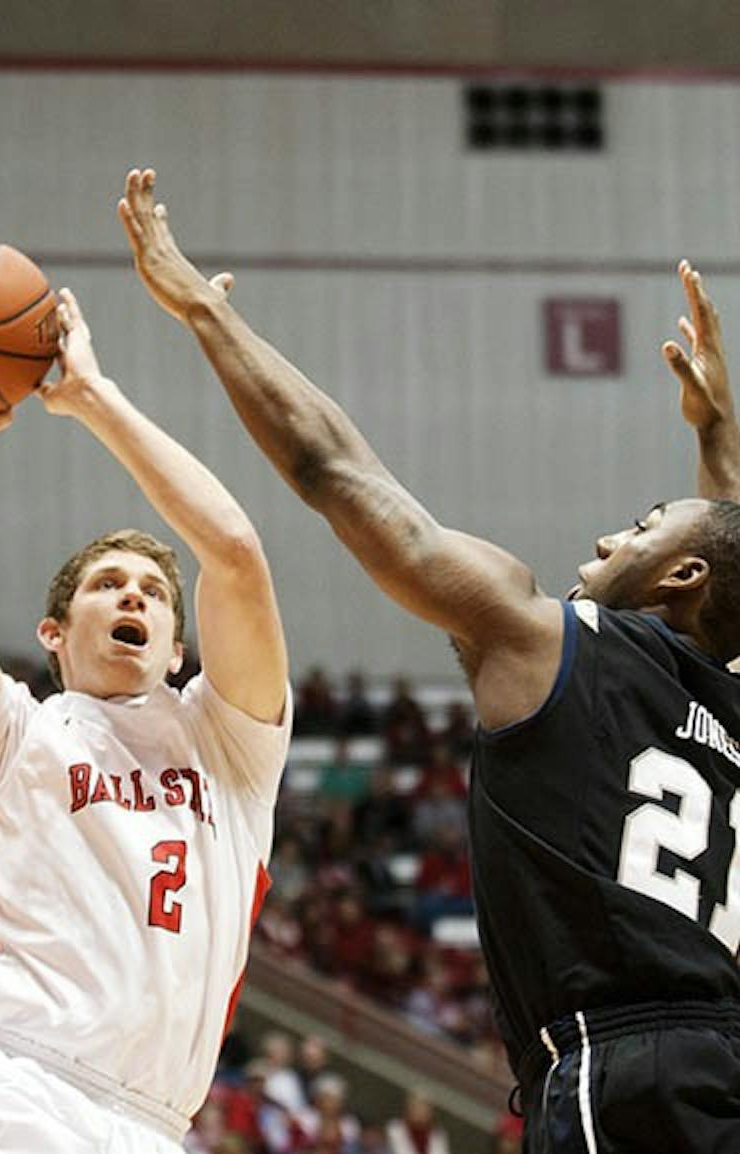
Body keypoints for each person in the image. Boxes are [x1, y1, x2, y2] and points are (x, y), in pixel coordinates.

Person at [119, 166, 740, 1153]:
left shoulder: (540, 636)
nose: (610, 536)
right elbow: (722, 586)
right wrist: (716, 438)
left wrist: (201, 309)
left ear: (681, 573)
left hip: (618, 1070)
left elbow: (336, 473)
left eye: (639, 526)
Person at [0, 283, 290, 1153]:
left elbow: (237, 554)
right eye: (108, 583)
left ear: (179, 648)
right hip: (7, 1087)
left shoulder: (232, 748)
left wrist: (93, 396)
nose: (133, 592)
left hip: (156, 1127)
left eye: (153, 593)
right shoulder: (10, 737)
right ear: (54, 632)